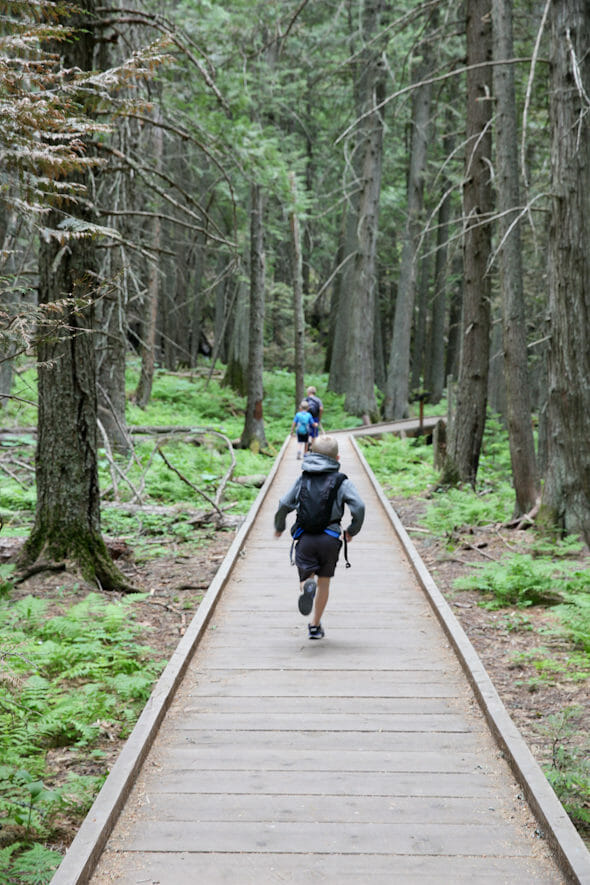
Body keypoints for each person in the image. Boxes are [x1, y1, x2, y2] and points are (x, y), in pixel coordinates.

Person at [274, 435, 365, 640]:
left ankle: (306, 585)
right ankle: (315, 625)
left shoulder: (303, 478)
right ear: (338, 458)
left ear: (310, 453)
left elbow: (284, 504)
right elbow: (359, 506)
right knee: (324, 583)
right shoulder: (342, 481)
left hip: (305, 538)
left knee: (307, 577)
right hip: (330, 539)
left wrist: (279, 525)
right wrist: (352, 529)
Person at [305, 386, 323, 451]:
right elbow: (321, 408)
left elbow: (301, 408)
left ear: (309, 392)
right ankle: (313, 448)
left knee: (306, 433)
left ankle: (306, 450)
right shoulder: (318, 400)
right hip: (315, 418)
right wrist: (319, 418)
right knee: (314, 434)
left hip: (306, 418)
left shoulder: (305, 399)